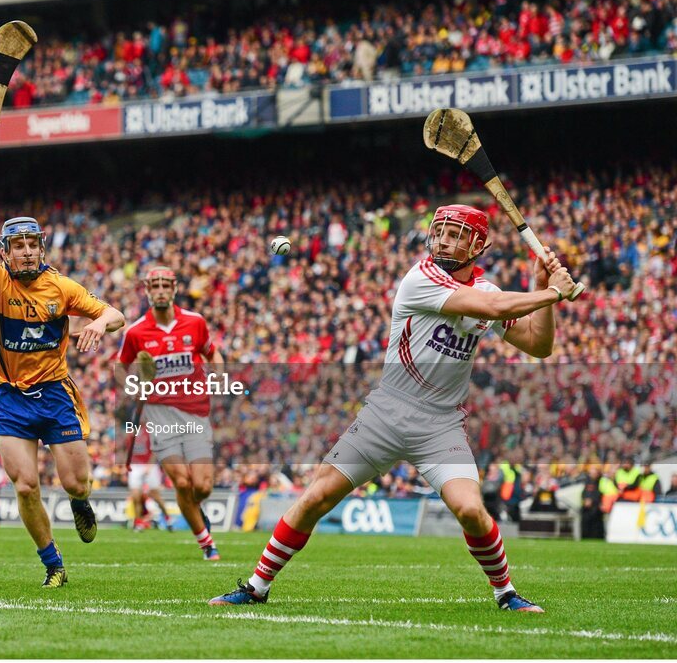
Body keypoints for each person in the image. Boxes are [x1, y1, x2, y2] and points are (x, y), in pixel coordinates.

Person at [210, 204, 576, 612]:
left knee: (471, 510)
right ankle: (257, 587)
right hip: (386, 413)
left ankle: (506, 593)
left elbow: (539, 346)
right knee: (316, 497)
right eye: (440, 232)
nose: (443, 240)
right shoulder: (420, 278)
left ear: (477, 245)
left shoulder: (489, 291)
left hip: (441, 425)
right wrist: (551, 292)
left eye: (456, 234)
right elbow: (489, 309)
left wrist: (544, 294)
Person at [0, 182, 126, 588]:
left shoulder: (61, 286)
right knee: (25, 484)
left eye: (32, 244)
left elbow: (114, 313)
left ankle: (79, 502)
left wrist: (101, 324)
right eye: (18, 245)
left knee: (76, 482)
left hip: (54, 394)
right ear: (6, 252)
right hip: (8, 397)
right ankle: (53, 563)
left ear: (42, 247)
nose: (27, 251)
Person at [116, 266, 224, 560]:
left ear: (175, 289)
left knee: (201, 486)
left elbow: (212, 353)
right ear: (147, 290)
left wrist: (218, 377)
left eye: (166, 285)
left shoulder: (195, 322)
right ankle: (206, 543)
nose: (161, 290)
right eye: (155, 285)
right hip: (160, 416)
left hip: (195, 411)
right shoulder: (136, 331)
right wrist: (133, 385)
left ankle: (194, 508)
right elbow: (120, 367)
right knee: (182, 481)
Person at [126, 426, 173, 531]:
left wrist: (150, 465)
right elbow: (128, 450)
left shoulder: (151, 431)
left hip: (149, 466)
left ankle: (168, 518)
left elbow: (155, 450)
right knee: (135, 496)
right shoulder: (131, 432)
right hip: (135, 466)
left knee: (155, 496)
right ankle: (138, 522)